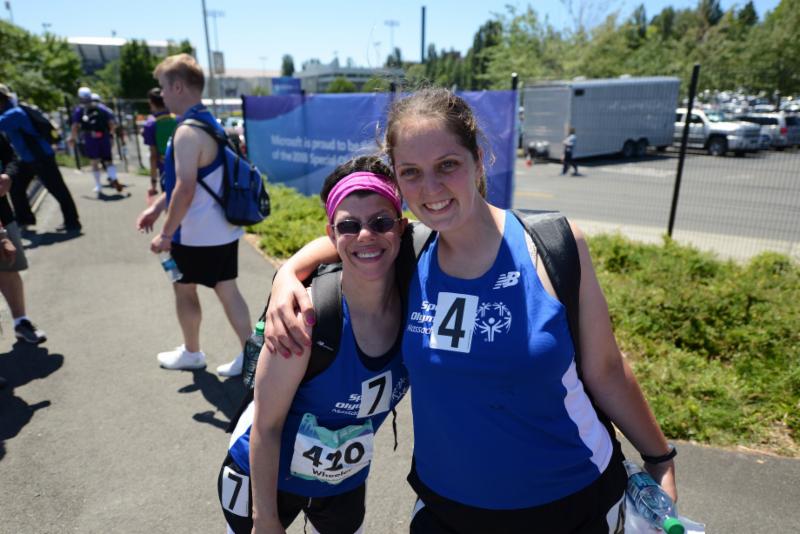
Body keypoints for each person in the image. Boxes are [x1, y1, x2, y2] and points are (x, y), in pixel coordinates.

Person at [264, 88, 677, 533]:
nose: (431, 188)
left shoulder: (553, 244)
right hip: (447, 511)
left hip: (572, 503)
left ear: (478, 160)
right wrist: (287, 274)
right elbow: (351, 239)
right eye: (411, 172)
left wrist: (660, 457)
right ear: (398, 182)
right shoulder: (410, 251)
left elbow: (607, 370)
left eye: (447, 165)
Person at [220, 155, 409, 534]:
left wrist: (287, 269)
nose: (366, 235)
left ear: (401, 228)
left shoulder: (418, 295)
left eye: (381, 222)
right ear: (332, 233)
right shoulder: (305, 318)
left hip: (342, 481)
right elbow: (266, 428)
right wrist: (264, 517)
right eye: (349, 226)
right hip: (265, 480)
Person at [135, 54, 251, 377]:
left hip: (194, 233)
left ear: (178, 87)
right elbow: (197, 181)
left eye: (163, 87)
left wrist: (166, 234)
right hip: (222, 227)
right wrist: (158, 207)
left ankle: (192, 352)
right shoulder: (210, 122)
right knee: (228, 290)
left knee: (184, 289)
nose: (162, 95)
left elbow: (185, 188)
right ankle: (252, 356)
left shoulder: (187, 131)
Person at [0, 83, 82, 232]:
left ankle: (72, 221)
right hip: (27, 159)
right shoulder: (12, 111)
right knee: (15, 186)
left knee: (57, 189)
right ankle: (25, 218)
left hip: (41, 157)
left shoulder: (14, 113)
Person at [0, 134, 47, 344]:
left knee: (9, 268)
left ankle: (21, 322)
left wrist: (8, 176)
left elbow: (11, 157)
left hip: (3, 213)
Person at [69, 87, 123, 195]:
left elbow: (75, 126)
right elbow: (112, 123)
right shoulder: (101, 108)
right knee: (108, 160)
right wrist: (111, 135)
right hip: (104, 136)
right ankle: (113, 177)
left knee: (94, 162)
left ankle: (98, 185)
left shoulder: (80, 110)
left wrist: (72, 138)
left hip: (90, 138)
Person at [141, 87, 177, 202]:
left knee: (170, 203)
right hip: (184, 169)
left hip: (165, 170)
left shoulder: (151, 124)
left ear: (151, 103)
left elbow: (153, 156)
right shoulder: (178, 118)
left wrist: (153, 183)